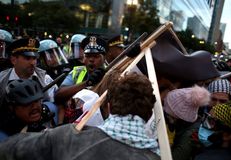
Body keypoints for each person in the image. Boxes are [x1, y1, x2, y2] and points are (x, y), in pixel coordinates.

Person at [0, 73, 160, 160]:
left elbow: (9, 149)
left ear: (109, 107)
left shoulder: (67, 136)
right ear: (148, 116)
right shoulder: (156, 155)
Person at [0, 37, 58, 123]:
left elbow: (54, 104)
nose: (33, 63)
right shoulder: (1, 79)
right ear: (13, 60)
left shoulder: (45, 79)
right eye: (27, 58)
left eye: (34, 58)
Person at [54, 36, 107, 124]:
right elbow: (58, 96)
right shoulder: (77, 72)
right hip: (74, 123)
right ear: (83, 58)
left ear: (104, 59)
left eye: (96, 56)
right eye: (88, 56)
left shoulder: (110, 74)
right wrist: (86, 83)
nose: (91, 60)